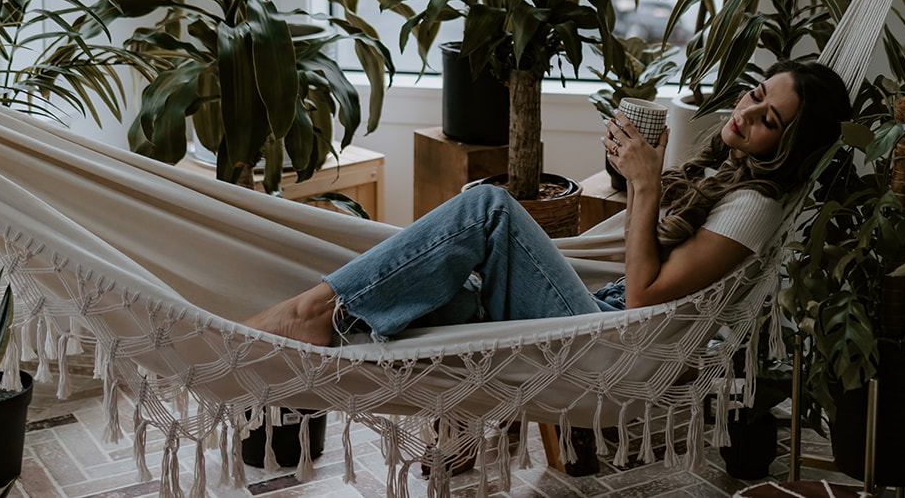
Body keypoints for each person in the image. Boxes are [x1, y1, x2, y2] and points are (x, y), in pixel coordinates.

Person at [243, 59, 850, 345]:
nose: (742, 114)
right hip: (601, 312)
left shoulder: (754, 208)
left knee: (489, 208)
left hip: (612, 343)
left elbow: (644, 299)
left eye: (766, 119)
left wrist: (646, 184)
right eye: (753, 93)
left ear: (787, 146)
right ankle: (323, 325)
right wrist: (635, 175)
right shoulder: (731, 173)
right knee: (444, 298)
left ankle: (306, 313)